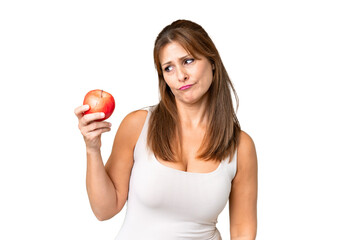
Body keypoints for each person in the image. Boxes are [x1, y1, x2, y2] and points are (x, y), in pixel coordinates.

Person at [74, 19, 258, 240]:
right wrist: (92, 149)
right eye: (168, 68)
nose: (180, 76)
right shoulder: (138, 126)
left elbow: (242, 231)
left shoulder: (240, 146)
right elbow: (104, 210)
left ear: (212, 62)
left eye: (188, 61)